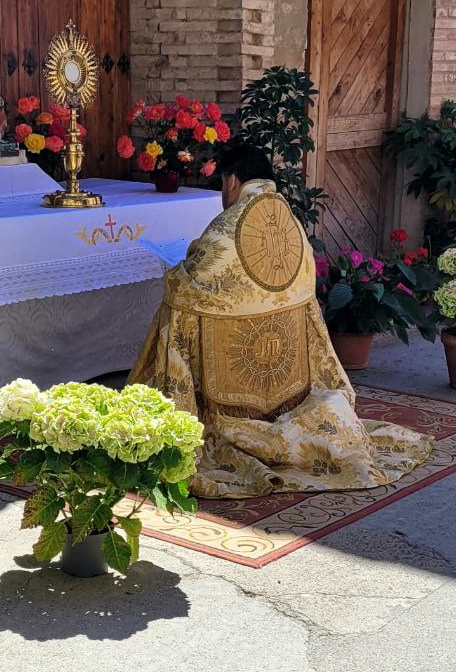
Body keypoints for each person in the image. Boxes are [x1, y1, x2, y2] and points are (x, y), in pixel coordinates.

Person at [129, 140, 432, 498]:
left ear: (231, 181)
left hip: (234, 363)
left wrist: (175, 271)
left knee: (176, 311)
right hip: (285, 359)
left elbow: (188, 286)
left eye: (222, 186)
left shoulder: (226, 226)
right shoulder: (289, 220)